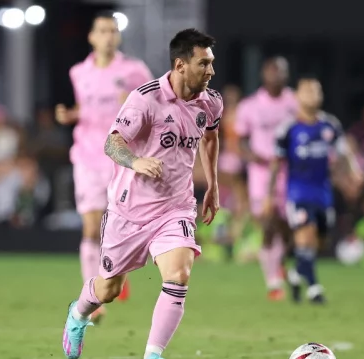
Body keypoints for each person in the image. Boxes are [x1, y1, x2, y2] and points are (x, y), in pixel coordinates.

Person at [61, 28, 222, 359]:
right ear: (180, 65)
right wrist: (136, 161)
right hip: (129, 210)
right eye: (204, 64)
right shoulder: (146, 99)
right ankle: (77, 315)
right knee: (109, 289)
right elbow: (113, 142)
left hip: (175, 208)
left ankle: (152, 355)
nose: (211, 71)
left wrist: (213, 184)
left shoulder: (212, 102)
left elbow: (209, 137)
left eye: (211, 63)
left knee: (178, 274)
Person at [56, 11, 154, 315]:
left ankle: (116, 274)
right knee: (90, 227)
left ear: (118, 36)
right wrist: (69, 115)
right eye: (102, 30)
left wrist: (135, 104)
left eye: (113, 30)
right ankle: (94, 295)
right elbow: (84, 108)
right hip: (87, 156)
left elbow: (157, 106)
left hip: (121, 158)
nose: (108, 35)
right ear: (92, 37)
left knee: (121, 225)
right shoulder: (78, 72)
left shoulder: (135, 70)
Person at [264, 76, 363, 303]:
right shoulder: (288, 128)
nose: (313, 96)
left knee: (320, 240)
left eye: (316, 91)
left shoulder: (330, 125)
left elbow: (344, 153)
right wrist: (269, 196)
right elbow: (276, 164)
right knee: (304, 234)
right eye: (307, 91)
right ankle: (314, 288)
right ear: (297, 96)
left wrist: (354, 172)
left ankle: (296, 272)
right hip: (298, 192)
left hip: (323, 192)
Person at [234, 57, 297, 300]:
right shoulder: (250, 106)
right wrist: (256, 157)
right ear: (264, 74)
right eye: (272, 71)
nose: (277, 75)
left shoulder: (294, 103)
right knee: (268, 222)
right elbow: (240, 141)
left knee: (288, 226)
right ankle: (273, 280)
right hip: (261, 175)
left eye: (281, 71)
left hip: (289, 172)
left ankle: (282, 265)